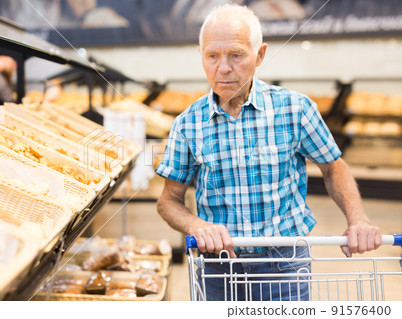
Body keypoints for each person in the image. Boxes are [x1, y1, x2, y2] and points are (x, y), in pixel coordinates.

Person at [155, 4, 382, 301]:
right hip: (218, 269)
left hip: (285, 267)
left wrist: (357, 219)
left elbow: (333, 167)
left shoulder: (294, 109)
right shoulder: (187, 124)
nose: (223, 68)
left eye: (236, 55)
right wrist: (196, 225)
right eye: (212, 56)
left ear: (260, 55)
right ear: (202, 56)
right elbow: (168, 200)